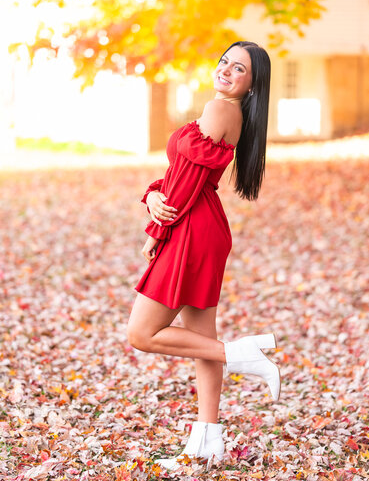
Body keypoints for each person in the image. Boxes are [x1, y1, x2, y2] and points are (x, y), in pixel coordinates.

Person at [127, 41, 280, 471]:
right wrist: (154, 193)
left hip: (192, 229)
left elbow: (188, 183)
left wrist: (157, 229)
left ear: (252, 86)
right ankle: (208, 442)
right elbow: (183, 174)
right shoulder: (222, 109)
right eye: (225, 62)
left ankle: (242, 354)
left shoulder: (220, 110)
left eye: (240, 70)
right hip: (202, 224)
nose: (227, 71)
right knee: (203, 343)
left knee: (142, 333)